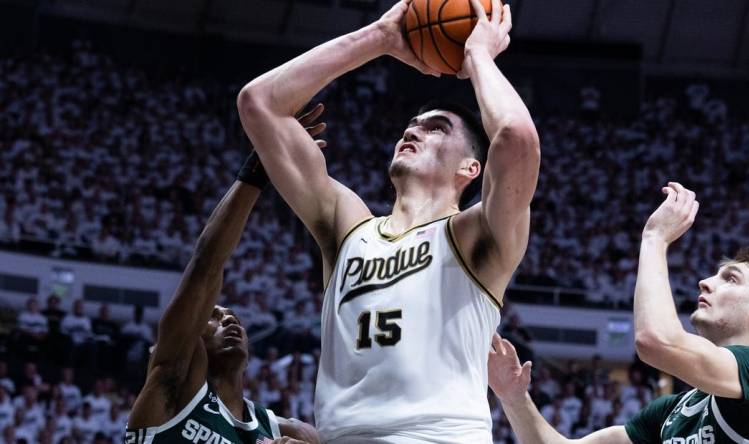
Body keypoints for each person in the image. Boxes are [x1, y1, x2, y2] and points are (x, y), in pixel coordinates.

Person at [237, 0, 540, 441]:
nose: (411, 131)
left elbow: (516, 138)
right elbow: (258, 103)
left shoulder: (476, 235)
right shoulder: (347, 227)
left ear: (470, 169)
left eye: (436, 127)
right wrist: (381, 37)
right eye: (410, 126)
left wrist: (476, 56)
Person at [487, 182, 749, 443]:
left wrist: (655, 237)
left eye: (730, 278)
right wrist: (513, 397)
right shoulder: (670, 413)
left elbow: (655, 341)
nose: (705, 282)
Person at [125, 110, 326, 443]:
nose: (230, 320)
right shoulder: (171, 393)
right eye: (215, 318)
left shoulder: (285, 430)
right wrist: (260, 165)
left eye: (233, 317)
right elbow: (206, 264)